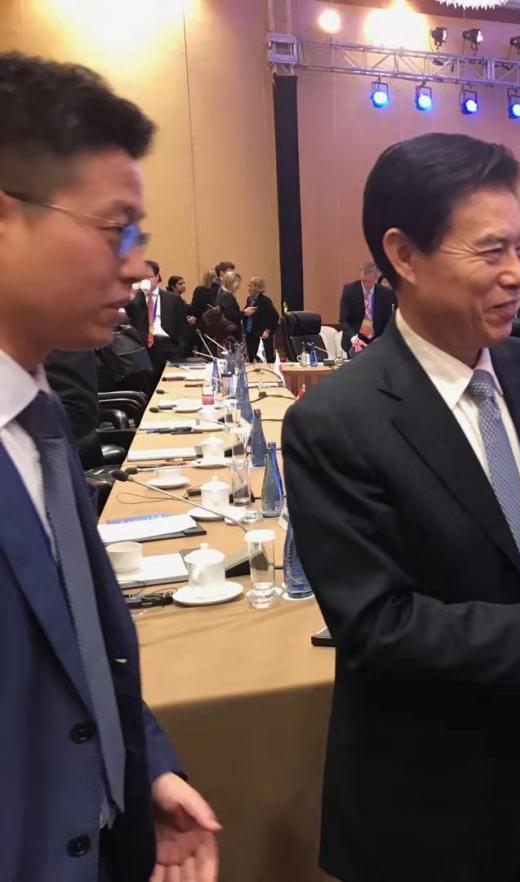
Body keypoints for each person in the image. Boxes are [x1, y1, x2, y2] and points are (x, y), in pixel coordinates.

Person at [282, 132, 520, 882]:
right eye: (492, 253)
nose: (519, 276)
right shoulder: (338, 421)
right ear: (403, 255)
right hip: (421, 792)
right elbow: (381, 626)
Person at [0, 51, 220, 882]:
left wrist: (145, 763)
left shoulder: (39, 413)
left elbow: (76, 645)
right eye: (112, 229)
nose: (134, 264)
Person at [125, 258, 187, 383]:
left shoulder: (172, 299)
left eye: (149, 277)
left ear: (157, 277)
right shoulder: (134, 300)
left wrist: (180, 348)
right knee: (146, 385)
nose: (145, 281)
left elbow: (182, 327)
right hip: (143, 347)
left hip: (167, 345)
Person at [339, 261, 394, 356]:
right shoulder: (349, 290)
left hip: (377, 343)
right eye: (363, 281)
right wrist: (354, 338)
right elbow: (343, 320)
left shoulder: (385, 294)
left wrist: (380, 341)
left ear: (376, 279)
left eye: (370, 282)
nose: (366, 285)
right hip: (354, 340)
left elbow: (388, 321)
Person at [243, 275, 279, 362]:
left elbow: (275, 317)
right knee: (251, 359)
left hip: (262, 336)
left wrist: (268, 330)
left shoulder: (265, 301)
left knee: (264, 360)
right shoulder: (249, 300)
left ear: (257, 288)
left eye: (250, 286)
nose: (248, 288)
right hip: (250, 334)